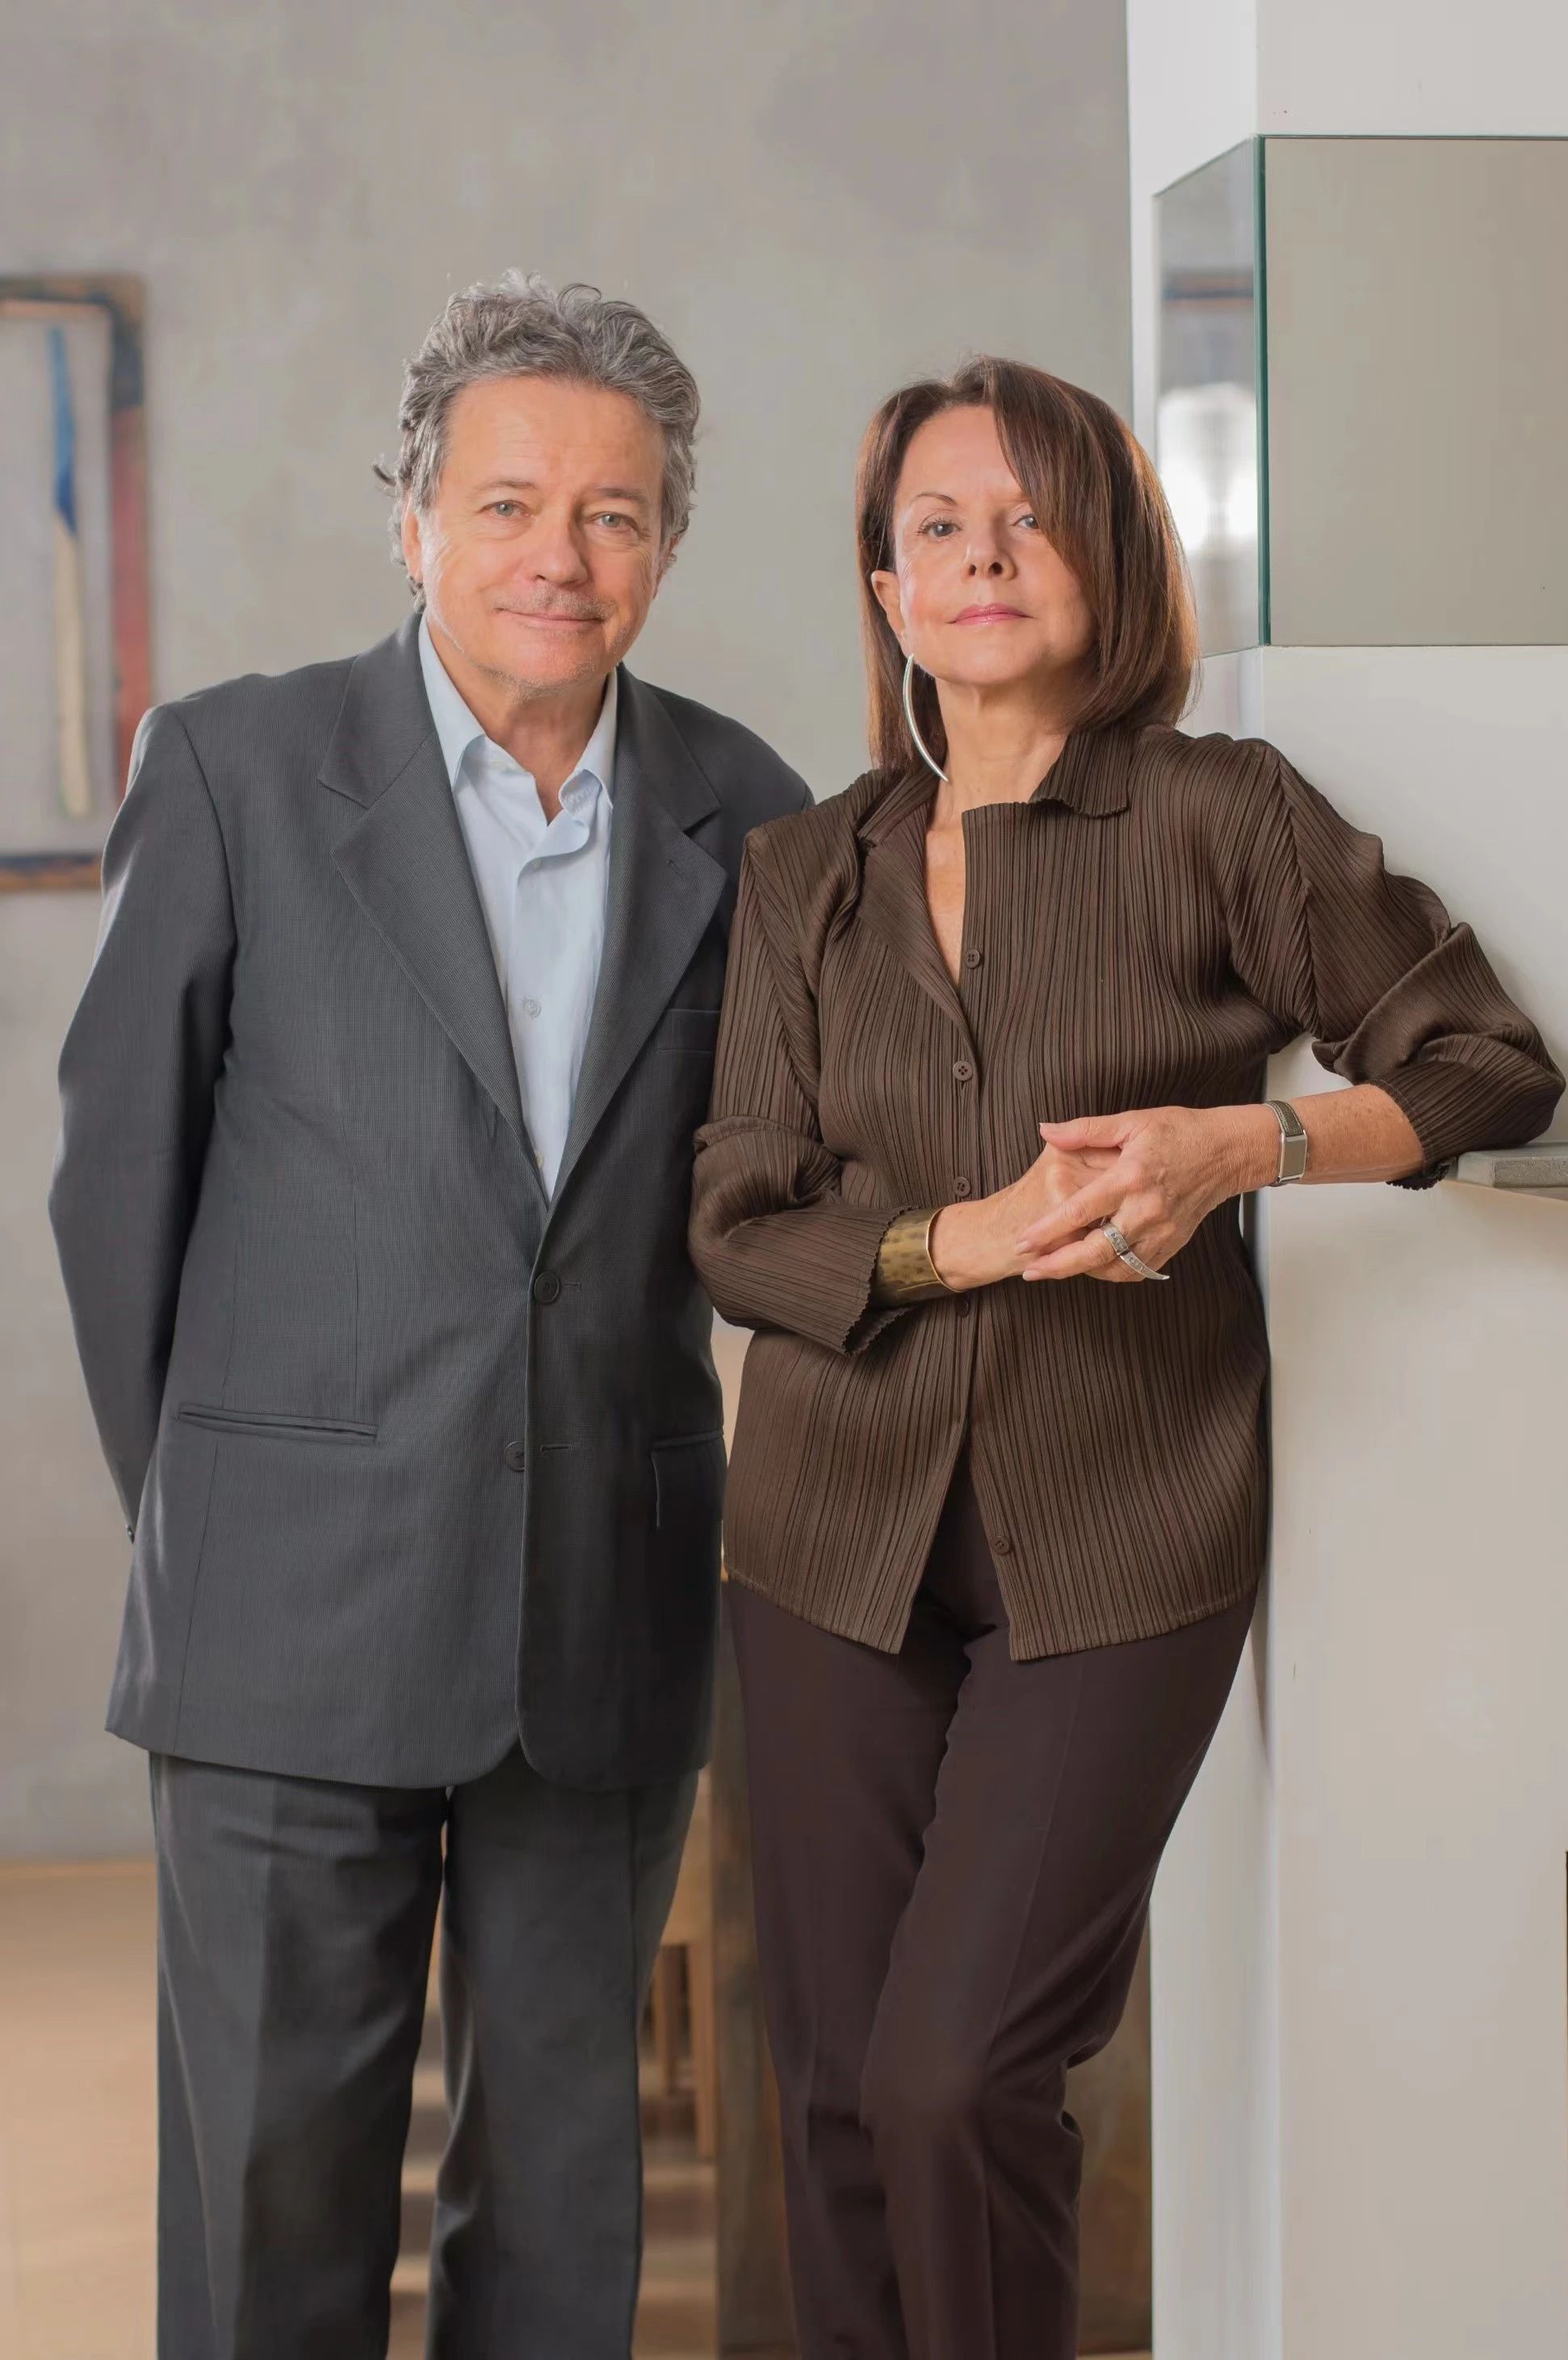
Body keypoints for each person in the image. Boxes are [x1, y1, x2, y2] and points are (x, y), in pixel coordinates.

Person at [688, 357, 1562, 2360]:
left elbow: (1483, 1064)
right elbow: (734, 1218)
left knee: (952, 2074)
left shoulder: (1215, 814)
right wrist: (953, 1238)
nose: (982, 558)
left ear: (1109, 556)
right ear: (884, 586)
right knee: (833, 2099)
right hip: (824, 1535)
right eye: (935, 527)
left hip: (1120, 1530)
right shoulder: (799, 870)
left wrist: (1250, 1145)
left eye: (1030, 517)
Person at [49, 273, 808, 2360]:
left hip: (602, 1602)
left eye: (613, 513)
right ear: (410, 522)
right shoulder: (235, 768)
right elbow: (118, 1193)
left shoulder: (749, 811)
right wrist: (220, 1515)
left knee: (561, 2204)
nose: (559, 555)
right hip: (285, 1618)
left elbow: (772, 1184)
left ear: (665, 544)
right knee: (274, 2198)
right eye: (506, 504)